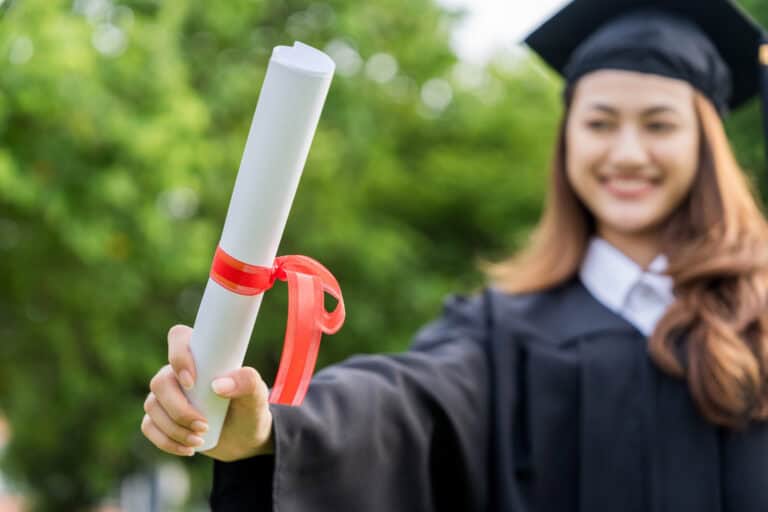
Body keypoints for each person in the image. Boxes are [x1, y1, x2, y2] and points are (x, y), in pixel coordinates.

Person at [141, 0, 768, 510]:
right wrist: (272, 433)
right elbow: (401, 406)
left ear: (705, 143)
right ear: (568, 138)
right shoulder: (500, 334)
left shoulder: (759, 317)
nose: (627, 152)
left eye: (659, 125)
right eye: (600, 123)